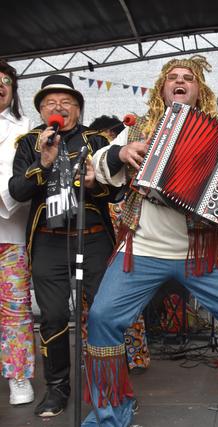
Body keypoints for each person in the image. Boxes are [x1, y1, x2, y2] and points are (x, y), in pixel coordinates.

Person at [83, 55, 218, 426]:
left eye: (189, 78)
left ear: (199, 90)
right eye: (173, 77)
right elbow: (101, 171)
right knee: (103, 317)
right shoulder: (138, 130)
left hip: (202, 249)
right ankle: (110, 413)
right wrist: (120, 153)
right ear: (162, 88)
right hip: (145, 247)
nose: (181, 81)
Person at [9, 74, 116, 417]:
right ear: (41, 110)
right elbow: (17, 191)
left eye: (67, 102)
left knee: (103, 315)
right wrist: (43, 161)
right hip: (48, 241)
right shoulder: (28, 143)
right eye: (51, 103)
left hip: (94, 236)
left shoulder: (97, 139)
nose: (59, 108)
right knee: (53, 316)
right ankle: (57, 388)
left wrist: (95, 182)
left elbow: (117, 191)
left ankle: (108, 387)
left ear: (79, 110)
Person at [88, 115, 151, 374]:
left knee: (126, 300)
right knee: (94, 303)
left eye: (109, 136)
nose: (109, 141)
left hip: (127, 242)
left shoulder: (127, 168)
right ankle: (97, 354)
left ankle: (136, 356)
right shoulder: (100, 160)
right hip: (98, 241)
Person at [0, 59, 35, 406]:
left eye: (4, 80)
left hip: (10, 233)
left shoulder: (26, 128)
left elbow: (25, 180)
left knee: (14, 311)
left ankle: (19, 375)